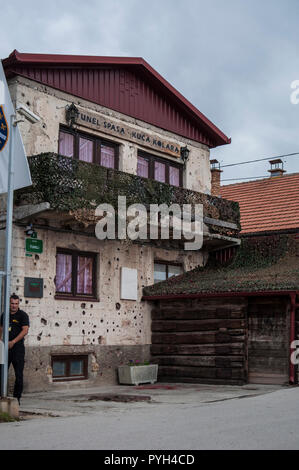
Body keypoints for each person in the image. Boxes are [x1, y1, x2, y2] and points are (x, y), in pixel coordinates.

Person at [0, 294, 30, 405]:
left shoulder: (23, 315)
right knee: (2, 373)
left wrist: (13, 341)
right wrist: (1, 342)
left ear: (18, 304)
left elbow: (25, 330)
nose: (14, 306)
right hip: (5, 348)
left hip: (17, 348)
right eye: (12, 303)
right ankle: (2, 396)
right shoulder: (4, 315)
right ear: (9, 303)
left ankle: (17, 399)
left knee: (19, 375)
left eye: (16, 304)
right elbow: (1, 329)